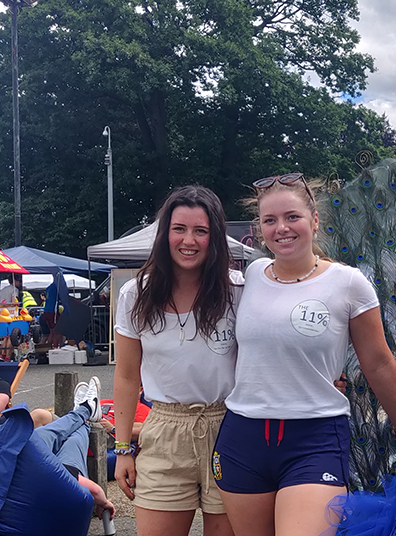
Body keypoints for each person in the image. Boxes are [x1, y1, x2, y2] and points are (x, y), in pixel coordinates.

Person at [214, 173, 396, 536]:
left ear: (314, 220)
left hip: (313, 438)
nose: (281, 228)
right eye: (270, 220)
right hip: (243, 437)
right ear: (260, 229)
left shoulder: (349, 283)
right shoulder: (251, 275)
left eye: (292, 217)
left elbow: (378, 362)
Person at [113, 185, 242, 536]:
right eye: (179, 229)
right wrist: (123, 448)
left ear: (214, 237)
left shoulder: (238, 291)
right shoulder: (135, 294)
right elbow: (126, 376)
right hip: (165, 431)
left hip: (229, 429)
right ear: (164, 233)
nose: (189, 240)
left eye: (201, 231)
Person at [33, 376, 116, 520]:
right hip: (60, 501)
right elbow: (95, 491)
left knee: (41, 434)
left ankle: (84, 411)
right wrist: (103, 501)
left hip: (32, 461)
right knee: (73, 442)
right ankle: (86, 413)